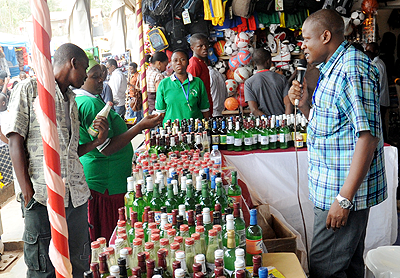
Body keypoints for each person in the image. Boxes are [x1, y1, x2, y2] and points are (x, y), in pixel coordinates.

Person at [288, 10, 386, 278]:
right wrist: (305, 103)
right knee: (347, 267)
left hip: (340, 193)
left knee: (325, 269)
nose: (303, 46)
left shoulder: (352, 68)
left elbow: (368, 136)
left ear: (326, 36)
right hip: (331, 189)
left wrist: (344, 199)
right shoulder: (330, 69)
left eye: (306, 39)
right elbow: (328, 127)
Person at [4, 43, 110, 277]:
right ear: (72, 63)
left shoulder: (71, 99)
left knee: (79, 266)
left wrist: (97, 141)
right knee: (44, 270)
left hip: (76, 198)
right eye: (84, 69)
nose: (86, 76)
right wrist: (28, 194)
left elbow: (69, 152)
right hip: (42, 199)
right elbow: (14, 142)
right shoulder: (31, 89)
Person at [74, 57, 163, 242]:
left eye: (102, 75)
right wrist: (139, 127)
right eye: (94, 76)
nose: (101, 80)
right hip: (106, 183)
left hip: (106, 180)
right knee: (111, 237)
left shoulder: (90, 100)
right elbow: (106, 148)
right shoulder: (89, 104)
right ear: (83, 77)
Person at [155, 50, 210, 125]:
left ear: (188, 62)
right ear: (171, 63)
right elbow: (160, 113)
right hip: (172, 131)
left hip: (194, 130)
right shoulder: (164, 84)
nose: (179, 62)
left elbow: (205, 110)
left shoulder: (197, 82)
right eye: (175, 60)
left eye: (182, 59)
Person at [244, 48, 292, 117]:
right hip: (281, 122)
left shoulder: (248, 83)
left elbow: (254, 110)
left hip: (264, 125)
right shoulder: (281, 78)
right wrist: (285, 122)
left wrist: (269, 121)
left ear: (255, 62)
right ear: (268, 61)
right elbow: (288, 104)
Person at [365, 42, 390, 142]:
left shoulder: (377, 65)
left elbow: (376, 85)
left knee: (380, 125)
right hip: (379, 99)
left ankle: (384, 144)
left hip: (380, 100)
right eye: (366, 50)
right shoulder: (376, 63)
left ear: (376, 51)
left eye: (369, 51)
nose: (367, 53)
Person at [187, 33, 214, 116]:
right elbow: (192, 91)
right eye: (200, 46)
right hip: (200, 110)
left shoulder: (201, 62)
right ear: (192, 48)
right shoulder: (194, 65)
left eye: (206, 44)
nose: (205, 48)